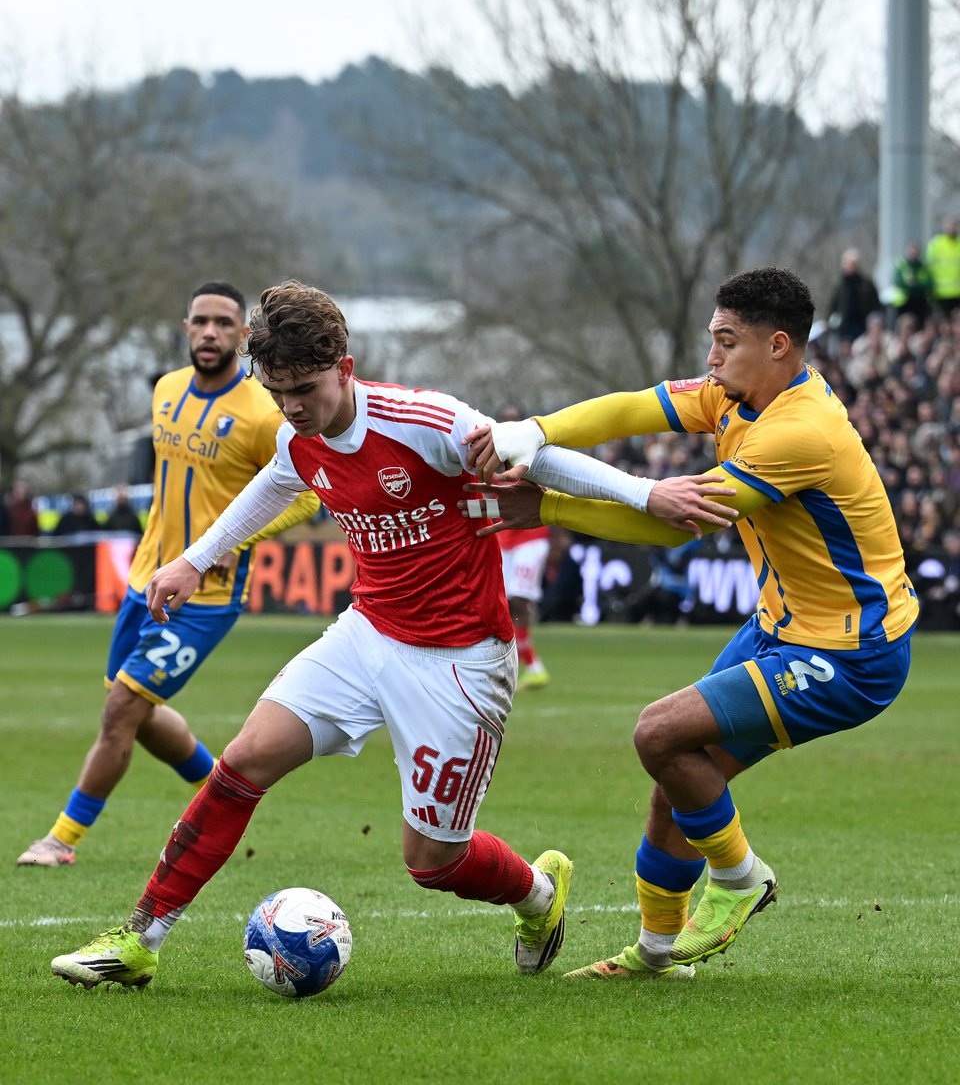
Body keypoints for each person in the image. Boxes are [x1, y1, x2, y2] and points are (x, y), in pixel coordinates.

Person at [48, 279, 738, 989]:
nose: (291, 407)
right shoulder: (299, 432)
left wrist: (645, 492)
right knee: (245, 760)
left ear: (344, 368)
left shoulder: (423, 422)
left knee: (432, 862)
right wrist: (195, 559)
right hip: (366, 634)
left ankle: (535, 892)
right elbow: (277, 481)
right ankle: (141, 939)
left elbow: (535, 452)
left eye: (306, 389)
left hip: (461, 660)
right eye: (277, 390)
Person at [466, 265, 918, 982]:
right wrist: (538, 429)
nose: (710, 357)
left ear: (778, 346)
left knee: (658, 732)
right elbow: (629, 409)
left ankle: (740, 878)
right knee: (678, 775)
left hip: (852, 654)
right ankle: (654, 958)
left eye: (725, 342)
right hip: (781, 627)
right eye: (712, 339)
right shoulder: (737, 396)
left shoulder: (800, 433)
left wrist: (548, 506)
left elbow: (675, 524)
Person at [17, 282, 319, 869]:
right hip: (144, 580)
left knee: (121, 711)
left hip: (205, 597)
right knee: (139, 714)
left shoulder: (263, 413)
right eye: (200, 321)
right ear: (186, 329)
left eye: (223, 323)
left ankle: (62, 840)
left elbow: (307, 498)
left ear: (243, 335)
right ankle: (220, 795)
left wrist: (238, 542)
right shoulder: (166, 391)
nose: (210, 332)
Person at [496, 405, 551, 689]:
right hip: (504, 539)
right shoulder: (491, 455)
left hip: (531, 537)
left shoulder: (534, 452)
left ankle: (532, 665)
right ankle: (522, 664)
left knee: (518, 598)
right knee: (504, 602)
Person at [829, 248, 881, 343]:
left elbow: (876, 305)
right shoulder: (840, 286)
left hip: (863, 326)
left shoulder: (866, 284)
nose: (852, 266)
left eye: (854, 263)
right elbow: (832, 307)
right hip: (845, 329)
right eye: (849, 263)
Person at [890, 240, 934, 326]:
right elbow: (900, 283)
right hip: (904, 304)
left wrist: (913, 284)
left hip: (920, 303)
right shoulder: (902, 266)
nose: (913, 253)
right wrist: (917, 285)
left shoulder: (923, 267)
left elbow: (928, 285)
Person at [925, 217, 960, 316]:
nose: (952, 228)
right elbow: (929, 267)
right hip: (939, 293)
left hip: (957, 292)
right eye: (949, 225)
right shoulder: (936, 244)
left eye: (954, 225)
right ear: (943, 227)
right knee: (942, 322)